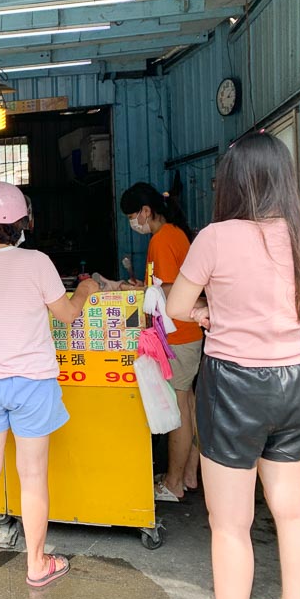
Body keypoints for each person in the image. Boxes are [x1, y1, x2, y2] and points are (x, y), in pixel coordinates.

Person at [167, 132, 300, 599]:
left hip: (235, 386)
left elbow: (176, 307)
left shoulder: (216, 238)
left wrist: (210, 313)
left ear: (232, 183)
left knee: (231, 523)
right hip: (296, 382)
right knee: (294, 510)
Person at [0, 182, 99, 589]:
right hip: (32, 382)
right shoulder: (37, 262)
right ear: (18, 222)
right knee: (32, 476)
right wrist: (84, 289)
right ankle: (36, 564)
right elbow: (65, 315)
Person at [120, 182, 203, 501]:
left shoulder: (163, 239)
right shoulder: (174, 236)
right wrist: (145, 287)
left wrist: (140, 293)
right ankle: (188, 476)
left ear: (146, 211)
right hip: (185, 335)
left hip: (177, 337)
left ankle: (173, 483)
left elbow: (168, 292)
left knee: (178, 409)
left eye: (132, 215)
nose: (133, 222)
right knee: (189, 405)